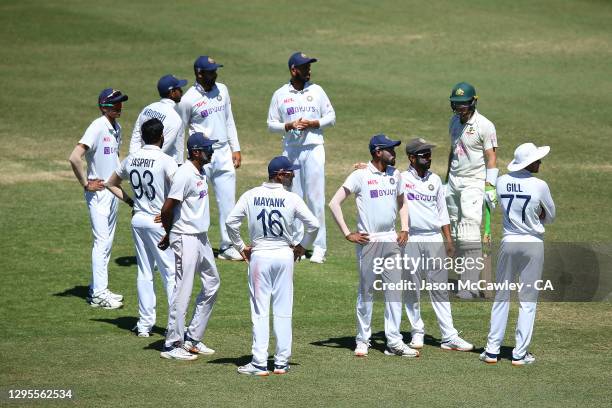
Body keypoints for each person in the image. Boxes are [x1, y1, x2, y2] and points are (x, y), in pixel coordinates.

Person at [226, 156, 319, 376]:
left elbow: (231, 222)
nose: (294, 175)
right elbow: (314, 225)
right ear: (279, 175)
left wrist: (241, 247)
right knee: (283, 310)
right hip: (284, 256)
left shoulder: (251, 195)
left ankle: (259, 363)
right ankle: (281, 362)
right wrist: (302, 247)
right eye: (290, 172)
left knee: (259, 311)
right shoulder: (292, 198)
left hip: (260, 256)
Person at [328, 134, 418, 358]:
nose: (394, 153)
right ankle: (362, 340)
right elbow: (333, 203)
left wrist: (404, 227)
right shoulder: (360, 175)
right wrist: (348, 233)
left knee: (394, 292)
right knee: (367, 292)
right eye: (390, 150)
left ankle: (394, 342)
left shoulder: (394, 174)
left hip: (391, 239)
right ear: (378, 152)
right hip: (369, 242)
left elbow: (402, 202)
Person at [480, 142, 555, 366]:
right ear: (529, 163)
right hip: (532, 244)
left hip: (508, 242)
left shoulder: (502, 181)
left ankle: (492, 351)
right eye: (537, 160)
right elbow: (551, 216)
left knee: (502, 296)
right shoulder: (540, 185)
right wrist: (538, 216)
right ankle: (520, 355)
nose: (540, 162)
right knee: (528, 301)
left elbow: (490, 201)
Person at [105, 118, 178, 337]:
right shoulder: (166, 160)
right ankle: (175, 326)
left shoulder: (132, 159)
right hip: (159, 221)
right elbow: (178, 191)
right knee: (171, 274)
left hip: (138, 220)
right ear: (162, 137)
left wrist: (131, 202)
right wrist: (168, 214)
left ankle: (145, 325)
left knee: (145, 272)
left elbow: (110, 183)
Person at [400, 138, 474, 352]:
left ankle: (449, 335)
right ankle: (416, 332)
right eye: (424, 155)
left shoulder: (435, 180)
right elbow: (380, 174)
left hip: (434, 238)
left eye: (429, 154)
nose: (428, 158)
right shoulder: (401, 179)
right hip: (412, 238)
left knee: (439, 288)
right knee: (411, 287)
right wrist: (361, 166)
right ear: (412, 158)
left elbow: (443, 213)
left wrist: (448, 240)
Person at [267, 51, 336, 263]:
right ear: (293, 70)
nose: (309, 70)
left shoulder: (317, 91)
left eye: (309, 66)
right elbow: (271, 124)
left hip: (314, 148)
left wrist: (314, 123)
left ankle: (319, 248)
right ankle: (297, 246)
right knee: (293, 198)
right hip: (291, 151)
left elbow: (331, 117)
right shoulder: (280, 94)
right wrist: (288, 125)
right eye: (305, 67)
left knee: (316, 198)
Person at [158, 133, 220, 361]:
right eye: (207, 149)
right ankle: (172, 344)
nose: (211, 152)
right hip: (185, 237)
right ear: (195, 152)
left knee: (212, 283)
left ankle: (192, 338)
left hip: (201, 237)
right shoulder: (184, 174)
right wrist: (169, 233)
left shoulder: (201, 172)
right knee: (182, 290)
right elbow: (167, 208)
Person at [177, 56, 243, 261]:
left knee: (228, 203)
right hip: (201, 157)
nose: (215, 74)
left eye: (215, 71)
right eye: (210, 71)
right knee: (198, 202)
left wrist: (236, 148)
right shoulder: (187, 99)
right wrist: (181, 162)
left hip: (223, 153)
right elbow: (181, 133)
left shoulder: (222, 90)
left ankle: (227, 246)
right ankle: (195, 245)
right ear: (199, 73)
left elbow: (229, 120)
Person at [68, 88, 128, 309]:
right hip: (98, 194)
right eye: (115, 104)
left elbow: (113, 159)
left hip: (111, 192)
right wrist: (85, 183)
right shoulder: (97, 126)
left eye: (121, 103)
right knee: (101, 242)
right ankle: (98, 296)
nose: (120, 106)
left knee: (107, 242)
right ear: (104, 107)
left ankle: (98, 288)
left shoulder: (117, 128)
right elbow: (75, 157)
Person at [445, 82, 499, 298]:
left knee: (469, 229)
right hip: (454, 181)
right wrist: (447, 178)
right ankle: (464, 279)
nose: (460, 108)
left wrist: (491, 185)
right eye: (456, 104)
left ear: (473, 102)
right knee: (457, 231)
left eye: (464, 104)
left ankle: (471, 286)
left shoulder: (485, 125)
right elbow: (454, 151)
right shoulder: (453, 121)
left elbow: (491, 157)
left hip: (474, 181)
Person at [129, 74, 187, 163]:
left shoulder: (148, 109)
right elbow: (164, 147)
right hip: (163, 167)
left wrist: (134, 160)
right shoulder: (175, 118)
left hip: (140, 162)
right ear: (172, 92)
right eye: (178, 89)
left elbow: (136, 137)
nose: (181, 91)